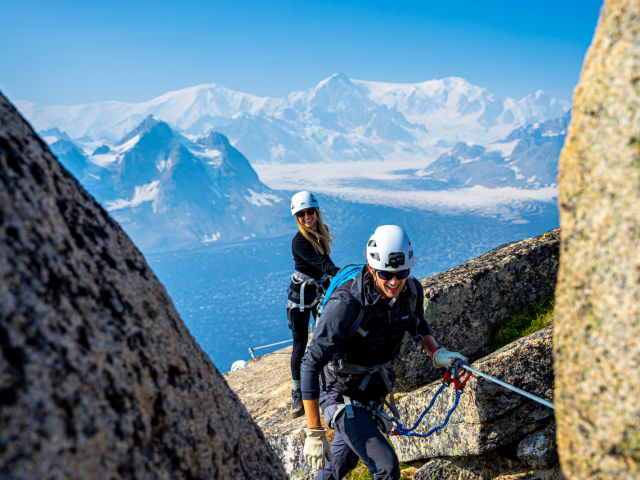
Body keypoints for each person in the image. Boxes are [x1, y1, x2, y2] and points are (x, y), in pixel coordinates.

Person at [299, 225, 467, 480]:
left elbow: (417, 323)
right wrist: (314, 430)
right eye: (385, 274)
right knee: (385, 467)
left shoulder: (411, 291)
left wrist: (435, 352)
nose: (394, 281)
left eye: (401, 273)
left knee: (339, 464)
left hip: (372, 392)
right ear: (370, 268)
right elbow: (310, 363)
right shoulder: (345, 305)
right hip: (340, 393)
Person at [287, 191, 340, 419]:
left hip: (317, 292)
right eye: (301, 214)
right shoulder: (300, 241)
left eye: (310, 211)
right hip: (300, 296)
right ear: (296, 217)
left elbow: (325, 264)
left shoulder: (319, 234)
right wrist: (347, 274)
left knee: (327, 337)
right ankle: (298, 393)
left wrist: (340, 274)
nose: (306, 216)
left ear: (316, 211)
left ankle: (329, 382)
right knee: (300, 344)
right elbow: (322, 264)